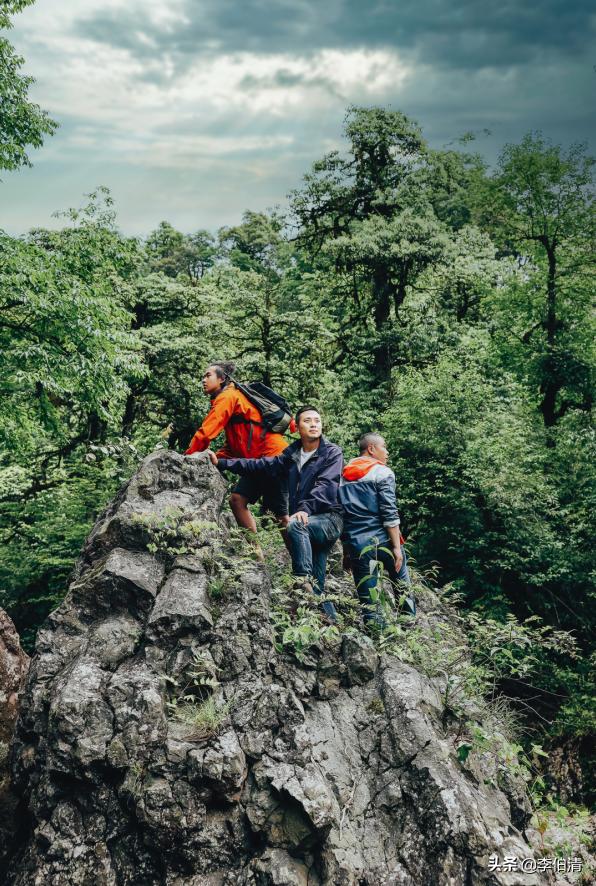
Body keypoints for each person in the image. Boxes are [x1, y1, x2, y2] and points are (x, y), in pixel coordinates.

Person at [208, 406, 343, 620]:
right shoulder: (291, 454)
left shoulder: (332, 452)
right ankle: (329, 623)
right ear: (297, 427)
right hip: (309, 522)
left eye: (317, 420)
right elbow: (262, 465)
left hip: (328, 519)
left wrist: (304, 510)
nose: (314, 424)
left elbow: (327, 486)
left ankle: (299, 584)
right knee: (317, 588)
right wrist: (223, 462)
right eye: (307, 421)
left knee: (295, 526)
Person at [185, 362, 289, 536]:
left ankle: (300, 561)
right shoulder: (230, 398)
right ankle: (257, 557)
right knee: (237, 500)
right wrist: (216, 458)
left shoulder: (228, 397)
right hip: (255, 462)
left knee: (281, 517)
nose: (203, 380)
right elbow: (237, 442)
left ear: (222, 378)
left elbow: (205, 433)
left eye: (208, 375)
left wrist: (187, 458)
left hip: (273, 459)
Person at [340, 432, 416, 625]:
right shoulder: (382, 472)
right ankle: (408, 627)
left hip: (357, 544)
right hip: (383, 541)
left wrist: (347, 551)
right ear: (372, 449)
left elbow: (342, 514)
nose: (387, 452)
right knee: (402, 585)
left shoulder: (343, 476)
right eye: (384, 447)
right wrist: (397, 547)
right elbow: (390, 513)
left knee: (369, 604)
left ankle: (376, 638)